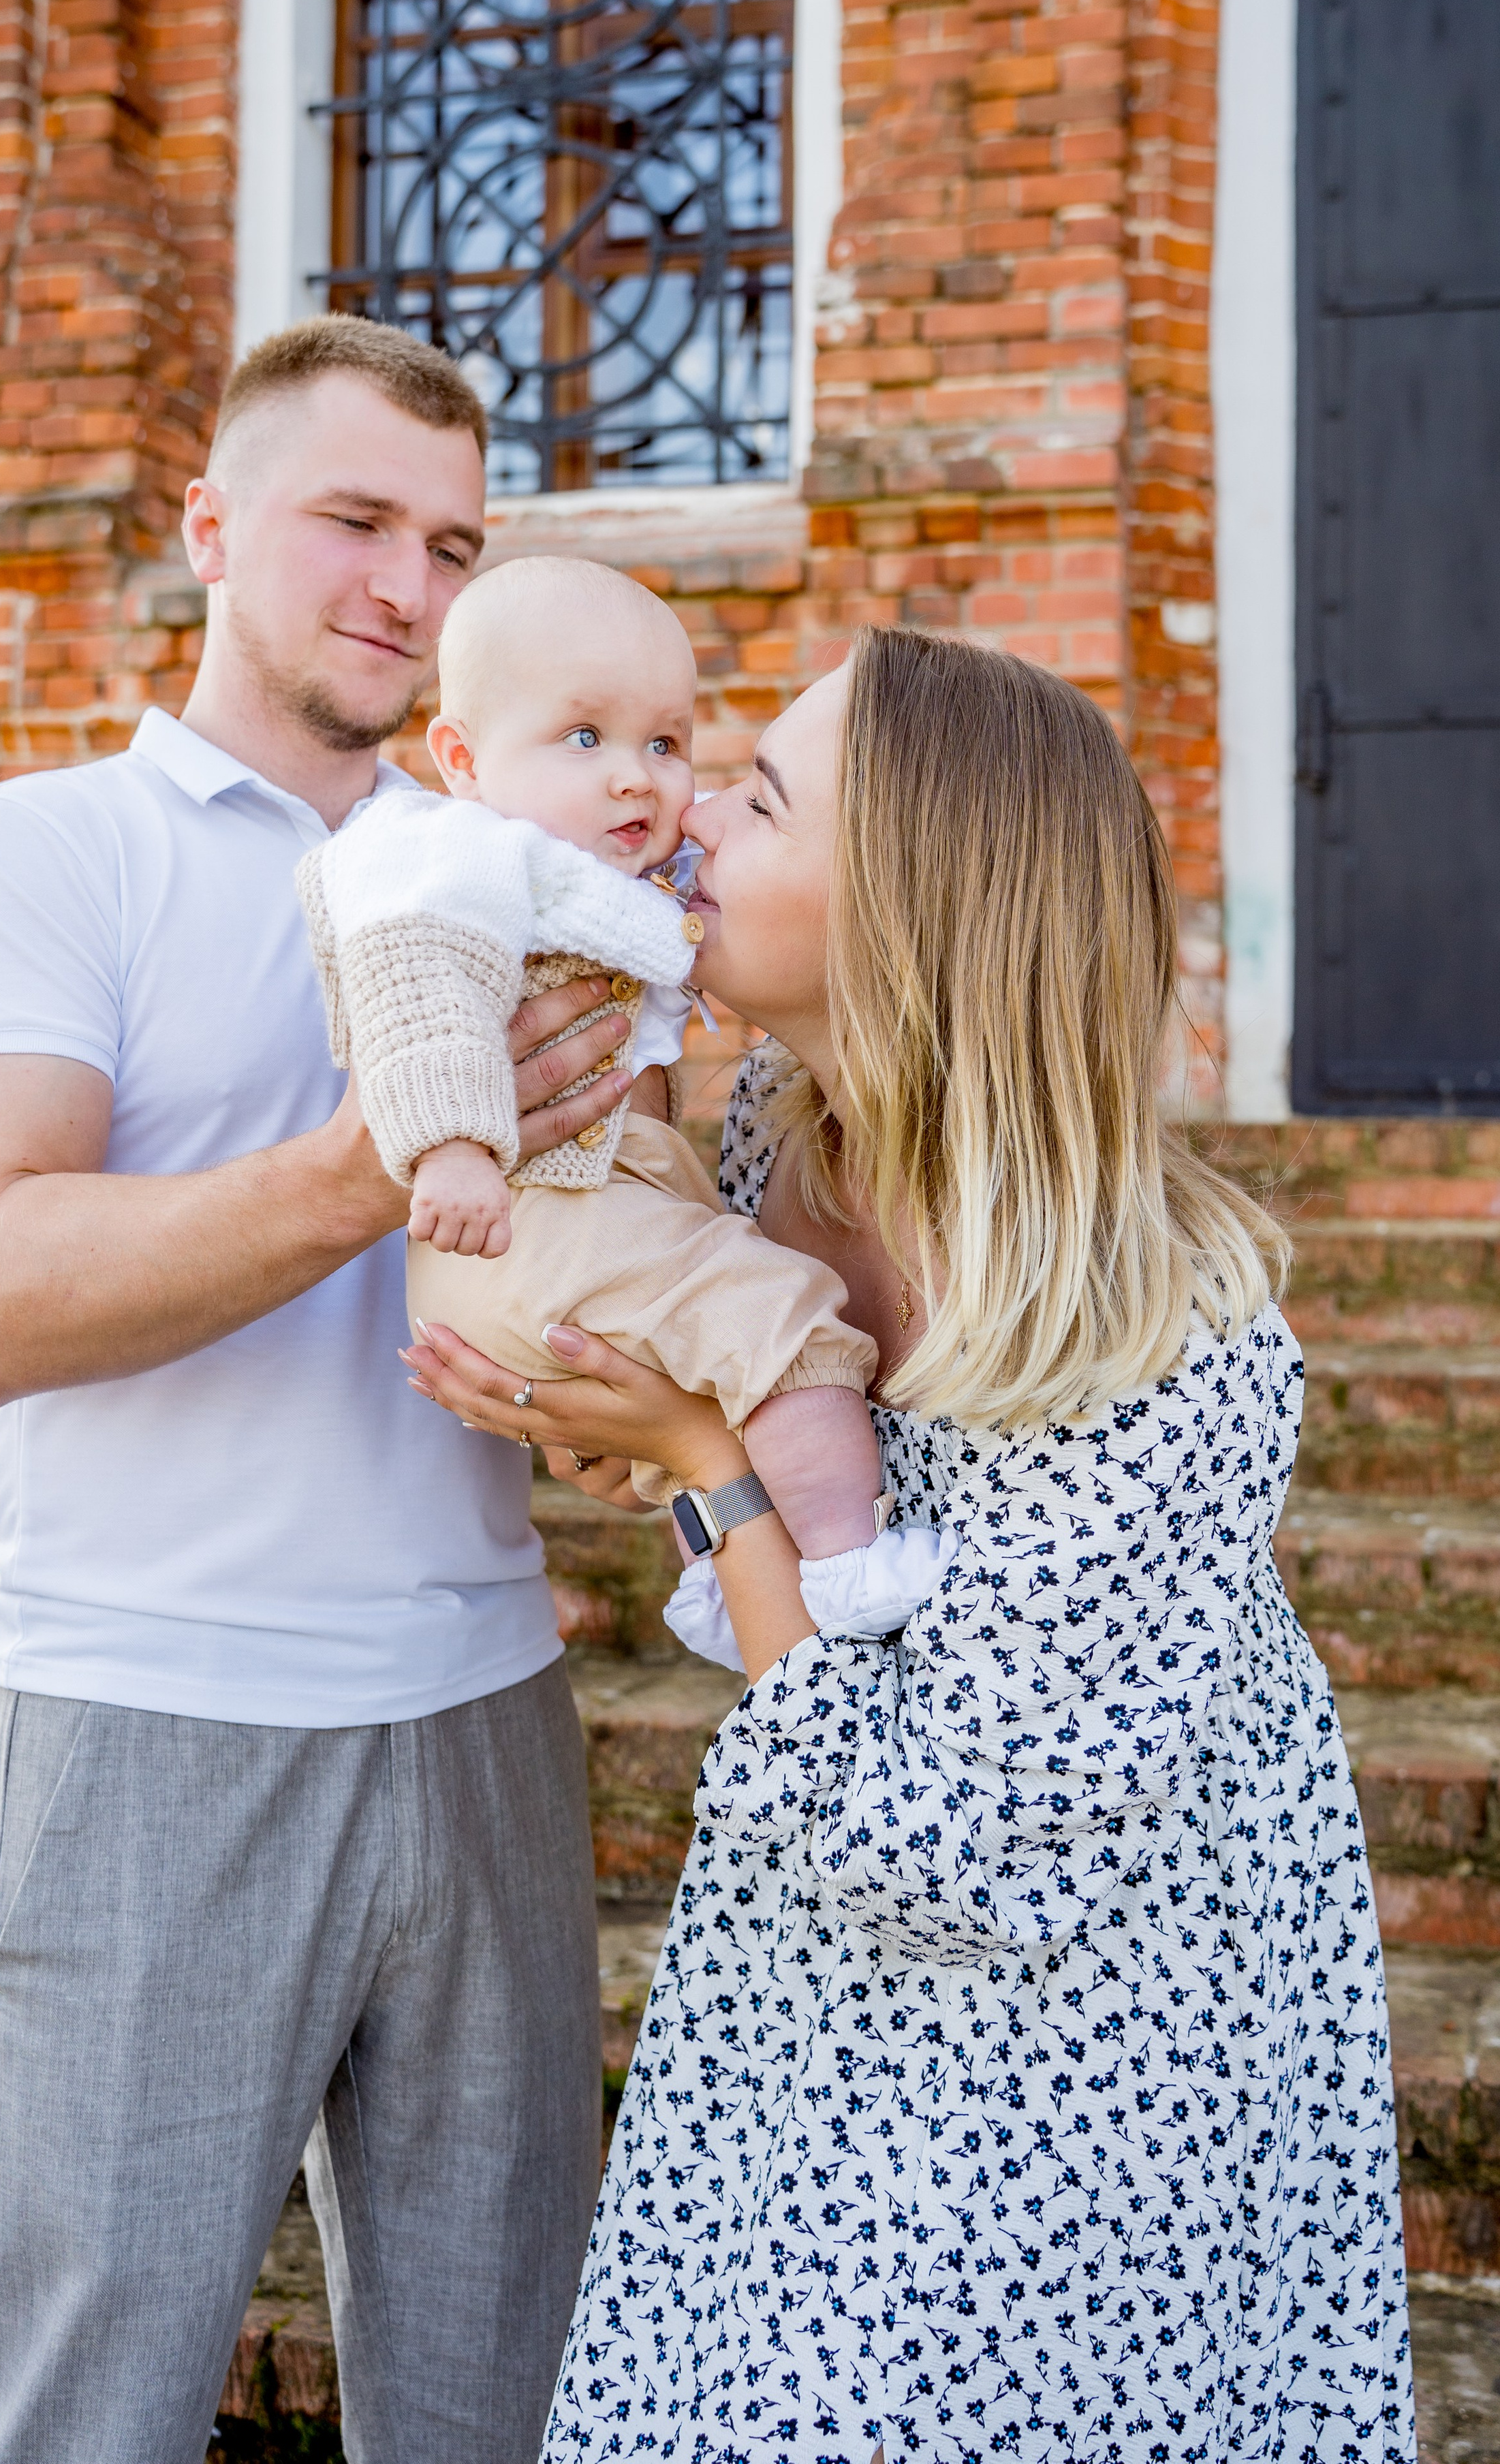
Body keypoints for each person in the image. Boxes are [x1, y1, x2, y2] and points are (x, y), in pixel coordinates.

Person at [407, 628, 1416, 2464]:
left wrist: (702, 1457)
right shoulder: (773, 1139)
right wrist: (626, 1428)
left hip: (1084, 2038)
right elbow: (781, 1575)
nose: (687, 813)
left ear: (912, 916)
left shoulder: (1163, 1350)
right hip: (812, 1957)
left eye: (759, 796)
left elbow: (939, 1847)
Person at [0, 317, 631, 2464]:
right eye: (356, 522)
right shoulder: (45, 851)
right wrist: (371, 1160)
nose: (409, 586)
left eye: (454, 547)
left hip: (484, 1715)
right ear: (211, 528)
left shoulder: (513, 868)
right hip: (152, 1720)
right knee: (93, 2409)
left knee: (499, 2402)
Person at [302, 550, 896, 1558]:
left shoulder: (619, 872)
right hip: (522, 1222)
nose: (637, 775)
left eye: (665, 742)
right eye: (584, 737)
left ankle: (743, 1578)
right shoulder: (453, 856)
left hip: (595, 1218)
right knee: (786, 1324)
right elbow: (415, 989)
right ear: (462, 759)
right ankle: (855, 1568)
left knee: (727, 1378)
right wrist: (453, 1146)